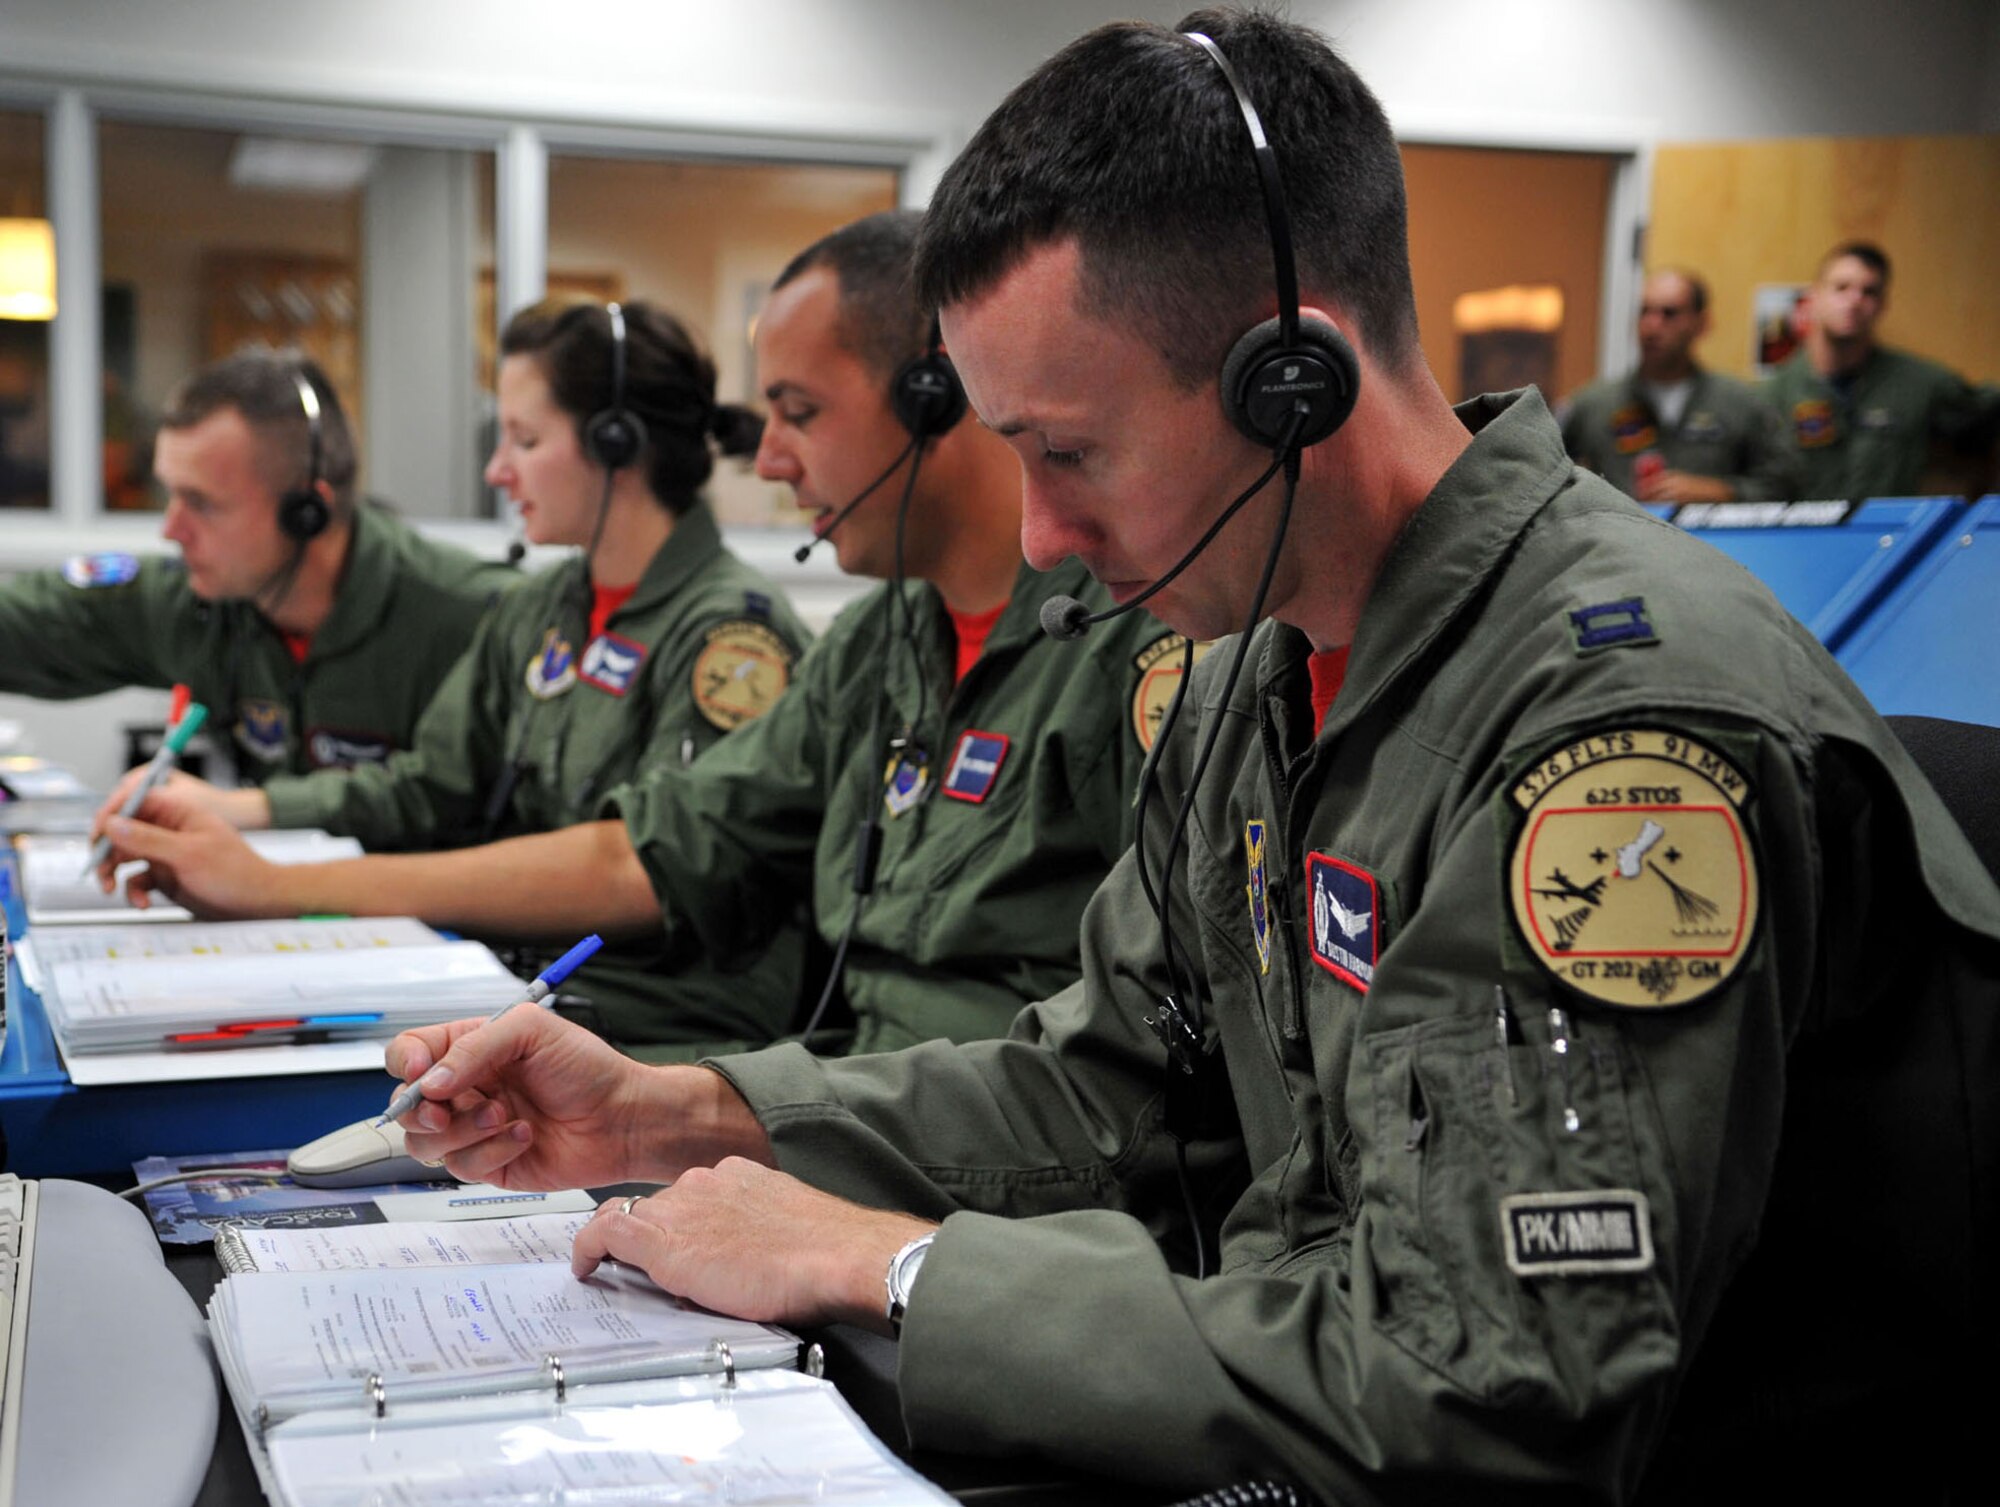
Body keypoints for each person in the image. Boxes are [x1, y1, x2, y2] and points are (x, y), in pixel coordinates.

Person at [361, 11, 1999, 1501]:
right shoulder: (1246, 670)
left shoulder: (1615, 749)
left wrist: (878, 1261)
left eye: (1070, 456)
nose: (1051, 540)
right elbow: (1112, 1073)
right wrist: (687, 1112)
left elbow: (1497, 1386)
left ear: (1293, 382)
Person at [99, 210, 1184, 1058]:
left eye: (798, 413)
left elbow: (1139, 1060)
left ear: (936, 398)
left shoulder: (1133, 650)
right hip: (849, 1101)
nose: (765, 459)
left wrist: (277, 879)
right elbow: (637, 840)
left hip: (909, 1140)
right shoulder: (876, 644)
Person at [99, 300, 815, 1042]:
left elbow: (629, 872)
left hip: (661, 1032)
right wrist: (242, 810)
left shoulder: (734, 640)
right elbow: (426, 786)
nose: (497, 469)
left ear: (616, 444)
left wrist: (274, 886)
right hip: (522, 986)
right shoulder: (543, 608)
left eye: (525, 439)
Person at [0, 350, 515, 778]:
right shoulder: (204, 602)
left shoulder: (472, 618)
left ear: (305, 513)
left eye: (201, 504)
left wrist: (254, 814)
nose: (171, 529)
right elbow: (34, 620)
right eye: (170, 496)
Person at [1763, 241, 2000, 500]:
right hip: (1803, 536)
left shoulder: (1917, 384)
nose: (1854, 301)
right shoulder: (1773, 396)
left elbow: (1985, 412)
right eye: (1841, 288)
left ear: (1882, 304)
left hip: (1891, 535)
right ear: (1813, 297)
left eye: (1869, 292)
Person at [1558, 268, 1797, 503]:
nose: (1652, 326)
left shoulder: (1739, 403)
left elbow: (1782, 487)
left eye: (1669, 313)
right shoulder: (1595, 404)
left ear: (1702, 324)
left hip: (1709, 539)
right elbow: (1547, 479)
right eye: (1644, 312)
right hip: (1618, 539)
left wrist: (1722, 492)